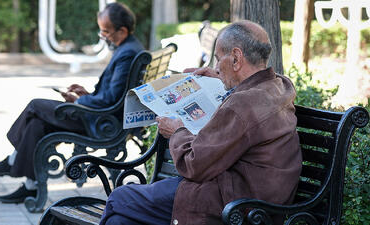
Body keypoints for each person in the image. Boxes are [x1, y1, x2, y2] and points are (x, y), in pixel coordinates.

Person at [98, 20, 302, 225]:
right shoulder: (279, 85)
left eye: (218, 59)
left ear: (236, 58)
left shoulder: (242, 105)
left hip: (233, 204)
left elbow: (193, 164)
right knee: (120, 222)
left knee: (119, 199)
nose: (215, 67)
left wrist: (177, 131)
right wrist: (219, 78)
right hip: (255, 196)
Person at [0, 2, 144, 204]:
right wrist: (87, 93)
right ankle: (31, 187)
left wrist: (80, 100)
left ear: (122, 30)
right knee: (36, 125)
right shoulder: (129, 47)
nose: (103, 36)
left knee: (35, 105)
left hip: (100, 123)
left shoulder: (127, 53)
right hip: (104, 118)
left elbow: (110, 100)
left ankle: (12, 161)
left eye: (106, 32)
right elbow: (112, 94)